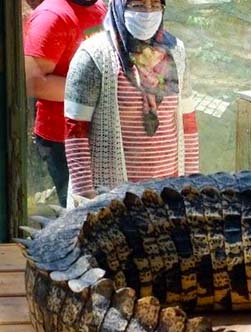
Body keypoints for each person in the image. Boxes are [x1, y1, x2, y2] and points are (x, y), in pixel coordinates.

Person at [64, 0, 200, 200]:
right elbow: (75, 130)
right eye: (137, 5)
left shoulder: (175, 51)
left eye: (155, 5)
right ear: (119, 5)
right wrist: (86, 198)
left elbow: (188, 122)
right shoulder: (94, 55)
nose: (147, 12)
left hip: (169, 195)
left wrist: (191, 184)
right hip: (112, 199)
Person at [24, 0, 107, 206]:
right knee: (77, 213)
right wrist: (94, 91)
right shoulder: (51, 16)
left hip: (95, 133)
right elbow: (32, 81)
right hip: (63, 139)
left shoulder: (99, 7)